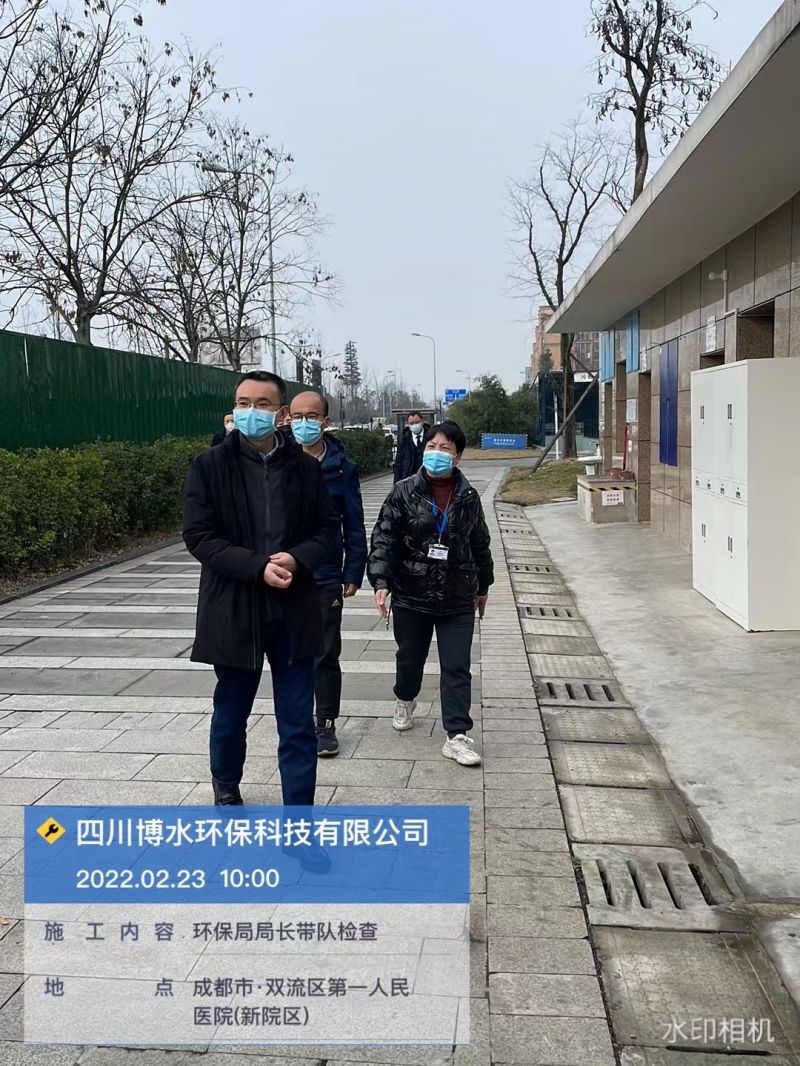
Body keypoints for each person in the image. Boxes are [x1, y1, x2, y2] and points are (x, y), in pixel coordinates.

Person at [183, 370, 338, 808]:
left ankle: (299, 812)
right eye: (243, 403)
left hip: (294, 609)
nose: (251, 412)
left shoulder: (306, 469)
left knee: (297, 721)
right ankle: (226, 786)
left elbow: (328, 532)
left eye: (262, 404)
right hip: (235, 606)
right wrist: (256, 568)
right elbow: (199, 536)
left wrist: (297, 558)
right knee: (231, 711)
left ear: (281, 413)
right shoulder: (209, 466)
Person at [368, 420, 493, 766]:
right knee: (410, 659)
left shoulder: (468, 496)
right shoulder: (403, 491)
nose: (436, 453)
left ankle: (457, 735)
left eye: (445, 448)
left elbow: (479, 543)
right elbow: (384, 538)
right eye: (432, 447)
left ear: (458, 456)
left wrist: (484, 585)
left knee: (457, 666)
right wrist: (381, 582)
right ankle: (405, 698)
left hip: (457, 595)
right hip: (412, 593)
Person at [288, 391, 368, 756]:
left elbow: (353, 522)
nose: (303, 423)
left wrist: (353, 569)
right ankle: (295, 719)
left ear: (326, 421)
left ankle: (325, 722)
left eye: (311, 416)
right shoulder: (277, 459)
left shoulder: (341, 467)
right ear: (287, 417)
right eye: (297, 416)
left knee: (324, 651)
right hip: (284, 571)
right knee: (288, 651)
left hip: (325, 575)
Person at [393, 410, 428, 483]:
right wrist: (396, 484)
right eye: (411, 423)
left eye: (417, 422)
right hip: (408, 479)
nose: (415, 425)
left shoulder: (431, 437)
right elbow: (398, 463)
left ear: (422, 421)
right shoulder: (404, 440)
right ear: (408, 424)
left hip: (427, 478)